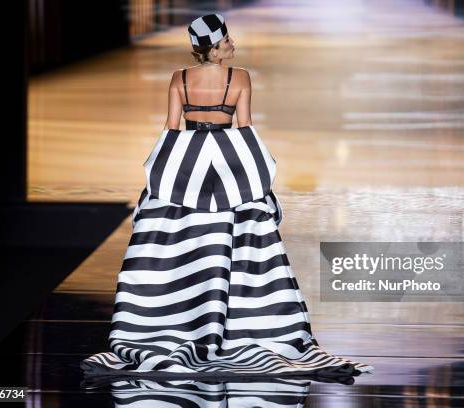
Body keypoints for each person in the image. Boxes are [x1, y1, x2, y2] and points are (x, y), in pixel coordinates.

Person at [81, 13, 374, 383]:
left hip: (186, 165)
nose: (233, 45)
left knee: (181, 238)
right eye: (227, 41)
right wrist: (259, 182)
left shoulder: (179, 78)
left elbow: (171, 129)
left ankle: (178, 316)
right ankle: (242, 321)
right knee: (237, 231)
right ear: (215, 48)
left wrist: (160, 180)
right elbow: (245, 128)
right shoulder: (240, 78)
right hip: (229, 165)